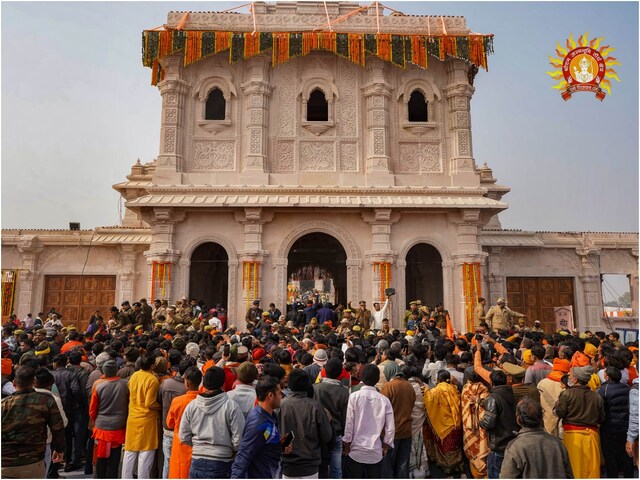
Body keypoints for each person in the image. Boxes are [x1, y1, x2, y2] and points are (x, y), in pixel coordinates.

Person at [179, 366, 245, 478]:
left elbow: (184, 436)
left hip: (197, 461)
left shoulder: (192, 406)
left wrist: (199, 446)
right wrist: (230, 450)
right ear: (222, 384)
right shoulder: (231, 406)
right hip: (221, 462)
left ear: (203, 384)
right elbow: (238, 440)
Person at [1, 365, 66, 478]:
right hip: (34, 462)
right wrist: (60, 450)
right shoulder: (46, 401)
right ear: (34, 381)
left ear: (14, 383)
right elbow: (58, 428)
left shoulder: (3, 405)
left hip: (6, 464)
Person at [342, 363, 395, 478]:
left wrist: (347, 446)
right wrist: (385, 447)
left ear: (361, 377)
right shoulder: (384, 401)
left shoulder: (354, 396)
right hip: (375, 453)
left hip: (356, 451)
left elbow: (349, 424)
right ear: (377, 380)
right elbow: (390, 429)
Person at [499, 397, 573, 479]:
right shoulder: (557, 444)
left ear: (518, 419)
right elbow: (569, 475)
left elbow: (506, 476)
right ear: (541, 418)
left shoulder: (515, 447)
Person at [279, 369, 332, 479]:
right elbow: (327, 436)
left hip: (288, 465)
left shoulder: (281, 405)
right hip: (310, 465)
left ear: (290, 384)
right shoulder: (316, 406)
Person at [554, 365, 605, 478]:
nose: (569, 378)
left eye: (571, 376)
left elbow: (560, 413)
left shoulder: (566, 394)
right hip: (592, 437)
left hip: (573, 437)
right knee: (591, 470)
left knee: (574, 469)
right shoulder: (596, 396)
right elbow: (601, 418)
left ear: (576, 379)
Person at [231, 376, 287, 478]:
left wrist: (280, 446)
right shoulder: (259, 423)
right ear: (270, 395)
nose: (281, 397)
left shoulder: (270, 417)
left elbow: (265, 442)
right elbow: (244, 456)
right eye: (279, 393)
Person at [122, 353, 161, 479]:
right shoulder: (152, 380)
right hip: (147, 419)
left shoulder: (134, 375)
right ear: (152, 365)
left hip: (133, 417)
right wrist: (161, 407)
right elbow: (150, 403)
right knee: (146, 454)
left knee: (130, 451)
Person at [89, 360, 129, 479]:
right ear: (116, 370)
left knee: (101, 457)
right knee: (115, 458)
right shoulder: (125, 385)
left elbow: (92, 410)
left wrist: (96, 421)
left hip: (102, 428)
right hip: (119, 427)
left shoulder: (99, 386)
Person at [313, 357, 350, 479]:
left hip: (318, 432)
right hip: (337, 432)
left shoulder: (315, 388)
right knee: (336, 466)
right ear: (340, 373)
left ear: (324, 370)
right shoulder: (344, 392)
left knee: (320, 464)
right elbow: (346, 418)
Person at [479, 369, 518, 479]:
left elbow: (488, 423)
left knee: (495, 474)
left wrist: (480, 422)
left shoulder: (493, 397)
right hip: (512, 442)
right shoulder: (512, 393)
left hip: (498, 444)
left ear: (491, 382)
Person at [423, 370, 463, 475]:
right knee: (455, 446)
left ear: (438, 379)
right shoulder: (453, 388)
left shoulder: (436, 391)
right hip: (456, 423)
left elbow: (429, 400)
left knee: (446, 448)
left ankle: (448, 467)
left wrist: (426, 390)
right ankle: (457, 465)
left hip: (444, 425)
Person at [598, 366, 634, 478]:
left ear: (607, 377)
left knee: (610, 456)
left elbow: (601, 409)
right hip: (624, 426)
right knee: (626, 454)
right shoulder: (627, 388)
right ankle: (629, 475)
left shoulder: (604, 390)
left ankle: (612, 476)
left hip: (609, 427)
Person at [166, 366, 202, 479]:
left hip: (180, 445)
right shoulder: (204, 402)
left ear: (186, 382)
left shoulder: (178, 401)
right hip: (199, 446)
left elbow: (169, 423)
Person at [381, 370, 416, 478]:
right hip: (406, 430)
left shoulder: (387, 386)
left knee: (387, 465)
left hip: (391, 432)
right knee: (402, 464)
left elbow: (382, 409)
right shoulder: (410, 387)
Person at [34, 367, 68, 476]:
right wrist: (59, 449)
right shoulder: (53, 399)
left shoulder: (21, 396)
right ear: (50, 385)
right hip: (45, 443)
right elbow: (62, 423)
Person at [461, 370, 490, 478]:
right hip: (481, 425)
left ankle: (475, 474)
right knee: (482, 446)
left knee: (472, 448)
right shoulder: (483, 388)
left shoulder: (465, 389)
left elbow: (464, 406)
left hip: (468, 426)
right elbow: (486, 405)